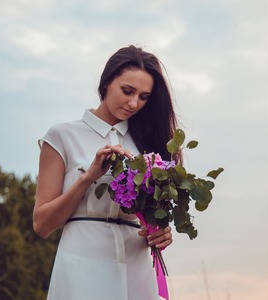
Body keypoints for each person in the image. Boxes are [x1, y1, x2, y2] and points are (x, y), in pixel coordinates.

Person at [33, 45, 181, 300]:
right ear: (106, 81)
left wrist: (162, 232)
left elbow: (154, 217)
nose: (134, 103)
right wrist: (88, 178)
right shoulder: (62, 136)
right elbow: (41, 224)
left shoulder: (148, 144)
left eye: (144, 97)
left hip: (137, 265)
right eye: (127, 91)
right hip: (81, 263)